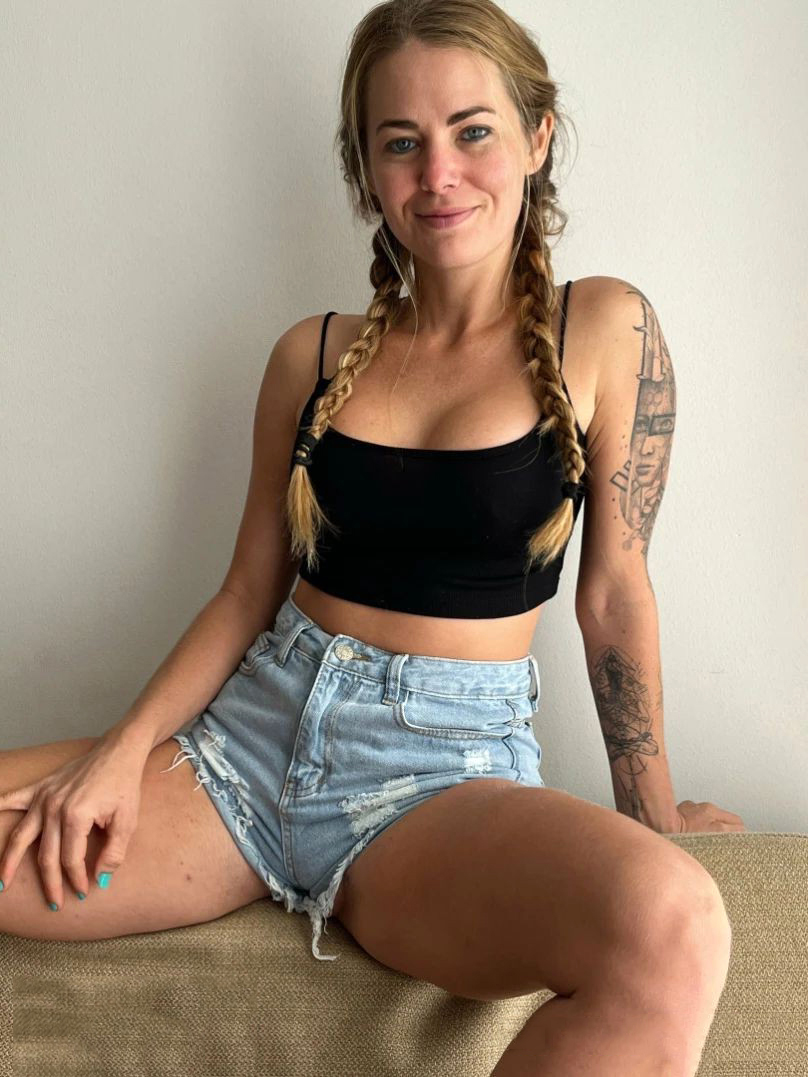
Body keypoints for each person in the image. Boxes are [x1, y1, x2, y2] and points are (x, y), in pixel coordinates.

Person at [0, 1, 745, 1073]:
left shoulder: (603, 325)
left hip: (440, 779)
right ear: (366, 173)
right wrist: (119, 757)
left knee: (675, 925)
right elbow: (245, 593)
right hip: (239, 755)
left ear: (538, 136)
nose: (438, 173)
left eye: (472, 130)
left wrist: (653, 815)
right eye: (400, 143)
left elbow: (614, 592)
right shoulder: (308, 356)